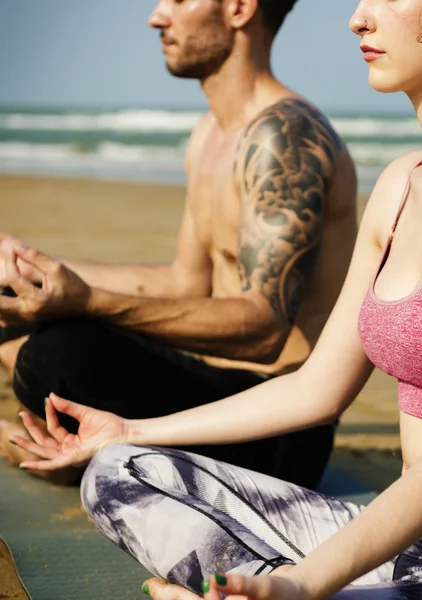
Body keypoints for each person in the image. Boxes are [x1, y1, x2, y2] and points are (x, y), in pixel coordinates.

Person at [11, 0, 422, 597]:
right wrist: (131, 430)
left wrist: (302, 583)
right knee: (118, 474)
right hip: (411, 540)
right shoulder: (401, 185)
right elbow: (316, 387)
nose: (358, 18)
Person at [0, 0, 358, 489]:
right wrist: (31, 268)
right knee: (10, 311)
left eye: (179, 0)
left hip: (276, 427)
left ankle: (74, 450)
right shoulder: (211, 133)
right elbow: (183, 283)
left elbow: (265, 326)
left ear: (238, 8)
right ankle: (74, 449)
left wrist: (88, 302)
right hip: (206, 390)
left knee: (54, 354)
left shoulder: (285, 137)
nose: (157, 16)